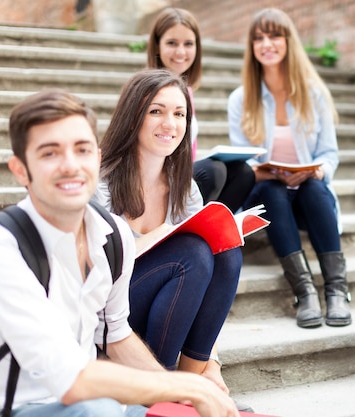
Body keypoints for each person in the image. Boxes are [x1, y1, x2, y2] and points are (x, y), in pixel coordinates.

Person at [0, 88, 239, 417]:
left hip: (95, 401)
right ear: (21, 170)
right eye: (49, 153)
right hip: (23, 408)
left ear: (96, 158)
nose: (70, 165)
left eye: (81, 150)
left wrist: (184, 397)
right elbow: (68, 377)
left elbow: (116, 336)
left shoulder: (112, 235)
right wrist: (182, 386)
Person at [95, 69, 243, 396]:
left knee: (226, 252)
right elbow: (94, 274)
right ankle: (166, 388)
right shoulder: (100, 183)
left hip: (164, 309)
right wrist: (158, 236)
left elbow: (212, 275)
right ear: (133, 116)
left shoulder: (185, 189)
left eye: (179, 114)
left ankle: (192, 379)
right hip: (108, 315)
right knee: (191, 254)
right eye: (156, 111)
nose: (170, 124)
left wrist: (212, 364)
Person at [227, 8, 351, 328]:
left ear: (288, 41)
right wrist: (267, 171)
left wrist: (317, 170)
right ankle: (305, 292)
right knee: (271, 188)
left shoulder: (313, 94)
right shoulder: (241, 99)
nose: (266, 44)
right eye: (258, 38)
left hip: (309, 197)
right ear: (252, 47)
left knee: (313, 187)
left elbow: (329, 153)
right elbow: (242, 161)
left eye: (274, 36)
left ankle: (337, 291)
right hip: (269, 199)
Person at [147, 7, 255, 213]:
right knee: (212, 171)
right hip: (155, 179)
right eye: (172, 43)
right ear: (157, 47)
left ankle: (214, 233)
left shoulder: (186, 90)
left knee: (243, 173)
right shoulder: (147, 90)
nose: (181, 52)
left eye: (188, 44)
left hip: (180, 173)